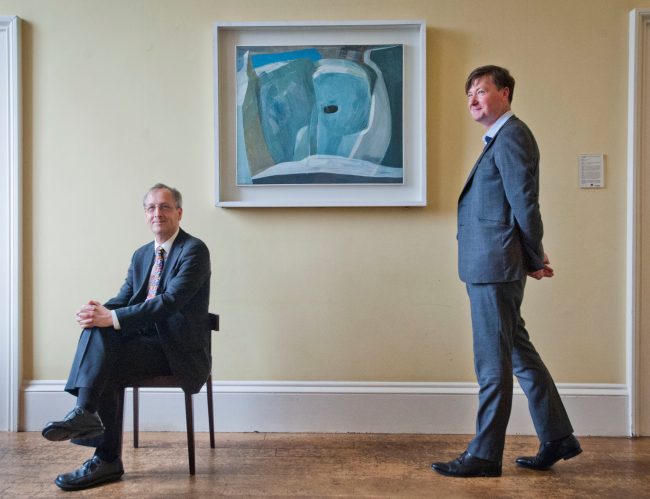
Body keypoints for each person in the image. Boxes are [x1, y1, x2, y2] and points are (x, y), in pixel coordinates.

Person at [431, 66, 581, 478]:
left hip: (496, 266)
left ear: (505, 93)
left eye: (481, 91)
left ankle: (484, 454)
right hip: (492, 264)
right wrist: (529, 258)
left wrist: (533, 257)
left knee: (492, 364)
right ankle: (558, 437)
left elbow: (525, 204)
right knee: (520, 354)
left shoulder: (512, 135)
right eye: (469, 95)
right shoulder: (499, 138)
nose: (473, 100)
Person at [42, 183, 212, 490]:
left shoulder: (194, 250)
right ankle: (91, 427)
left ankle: (102, 450)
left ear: (179, 212)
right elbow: (124, 298)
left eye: (165, 206)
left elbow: (169, 302)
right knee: (100, 333)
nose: (157, 213)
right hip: (143, 344)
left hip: (176, 350)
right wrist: (98, 312)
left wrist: (112, 318)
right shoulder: (142, 255)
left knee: (108, 350)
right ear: (145, 214)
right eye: (151, 208)